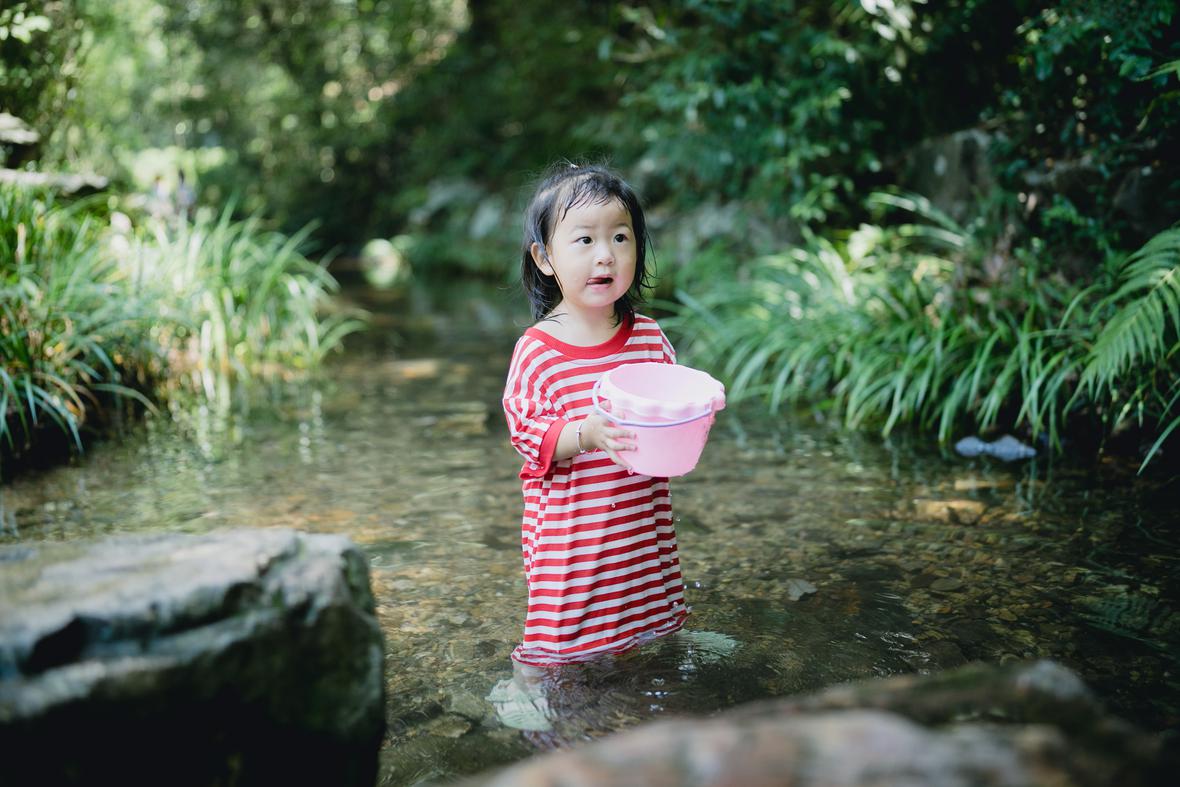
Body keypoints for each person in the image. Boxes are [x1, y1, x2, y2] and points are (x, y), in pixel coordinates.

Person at [489, 162, 727, 731]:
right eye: (585, 240)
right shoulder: (539, 350)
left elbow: (670, 406)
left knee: (647, 592)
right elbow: (526, 431)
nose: (606, 255)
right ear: (544, 258)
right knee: (564, 619)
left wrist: (692, 419)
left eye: (621, 238)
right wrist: (584, 434)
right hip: (573, 529)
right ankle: (529, 679)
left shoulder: (648, 338)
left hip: (639, 514)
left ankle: (660, 639)